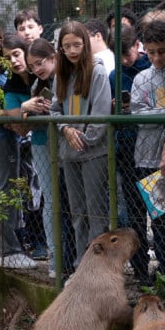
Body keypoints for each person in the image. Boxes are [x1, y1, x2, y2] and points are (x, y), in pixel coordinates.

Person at [50, 20, 112, 265]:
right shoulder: (61, 75)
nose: (73, 50)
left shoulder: (97, 71)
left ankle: (97, 266)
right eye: (68, 46)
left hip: (93, 152)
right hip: (69, 153)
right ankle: (80, 263)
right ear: (61, 49)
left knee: (96, 211)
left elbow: (101, 115)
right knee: (77, 212)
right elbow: (55, 111)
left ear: (85, 44)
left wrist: (83, 139)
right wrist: (65, 129)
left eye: (77, 45)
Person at [130, 20, 165, 280]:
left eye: (161, 51)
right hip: (144, 155)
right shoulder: (142, 76)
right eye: (151, 52)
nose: (156, 57)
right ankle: (164, 272)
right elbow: (138, 115)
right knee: (156, 219)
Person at [0, 31, 39, 269]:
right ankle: (5, 250)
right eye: (8, 58)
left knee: (17, 187)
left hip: (24, 140)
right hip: (0, 136)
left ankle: (11, 247)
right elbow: (17, 123)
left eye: (16, 54)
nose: (14, 61)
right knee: (5, 188)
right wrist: (22, 110)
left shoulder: (39, 73)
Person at [108, 24, 151, 282]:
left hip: (152, 151)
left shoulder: (150, 68)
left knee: (160, 211)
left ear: (137, 45)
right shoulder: (115, 75)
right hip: (126, 150)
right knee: (134, 215)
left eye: (127, 54)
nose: (124, 60)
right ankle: (141, 269)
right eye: (119, 56)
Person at [20, 38, 61, 277]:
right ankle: (55, 259)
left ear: (53, 56)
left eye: (40, 63)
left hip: (65, 145)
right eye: (32, 66)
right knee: (50, 201)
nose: (37, 69)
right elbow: (23, 126)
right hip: (42, 145)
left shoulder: (66, 78)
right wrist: (28, 109)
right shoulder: (36, 85)